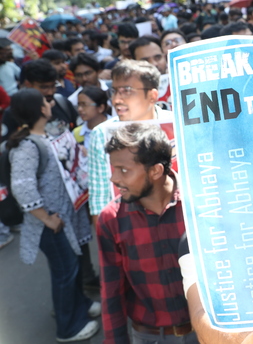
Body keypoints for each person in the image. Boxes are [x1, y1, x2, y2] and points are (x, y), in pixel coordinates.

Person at [7, 89, 100, 342]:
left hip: (62, 218)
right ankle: (68, 327)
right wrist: (47, 218)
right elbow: (22, 187)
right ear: (40, 110)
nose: (50, 103)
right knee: (65, 271)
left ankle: (78, 306)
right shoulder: (27, 145)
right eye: (46, 101)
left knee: (71, 266)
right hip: (49, 222)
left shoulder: (40, 136)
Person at [97, 123, 196, 343]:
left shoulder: (200, 202)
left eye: (124, 170)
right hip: (150, 336)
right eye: (113, 169)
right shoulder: (111, 220)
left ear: (155, 171)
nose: (114, 178)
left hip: (206, 332)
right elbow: (112, 292)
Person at [88, 60, 173, 223]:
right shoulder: (101, 134)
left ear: (152, 96)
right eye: (114, 91)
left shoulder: (177, 126)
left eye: (127, 91)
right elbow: (99, 198)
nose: (117, 100)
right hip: (130, 228)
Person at [2, 59, 78, 143]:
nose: (50, 92)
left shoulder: (63, 103)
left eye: (53, 86)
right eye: (44, 87)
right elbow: (5, 146)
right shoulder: (14, 112)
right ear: (28, 84)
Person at [73, 86, 110, 151]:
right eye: (79, 105)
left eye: (84, 105)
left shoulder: (116, 128)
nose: (79, 109)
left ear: (101, 108)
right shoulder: (76, 134)